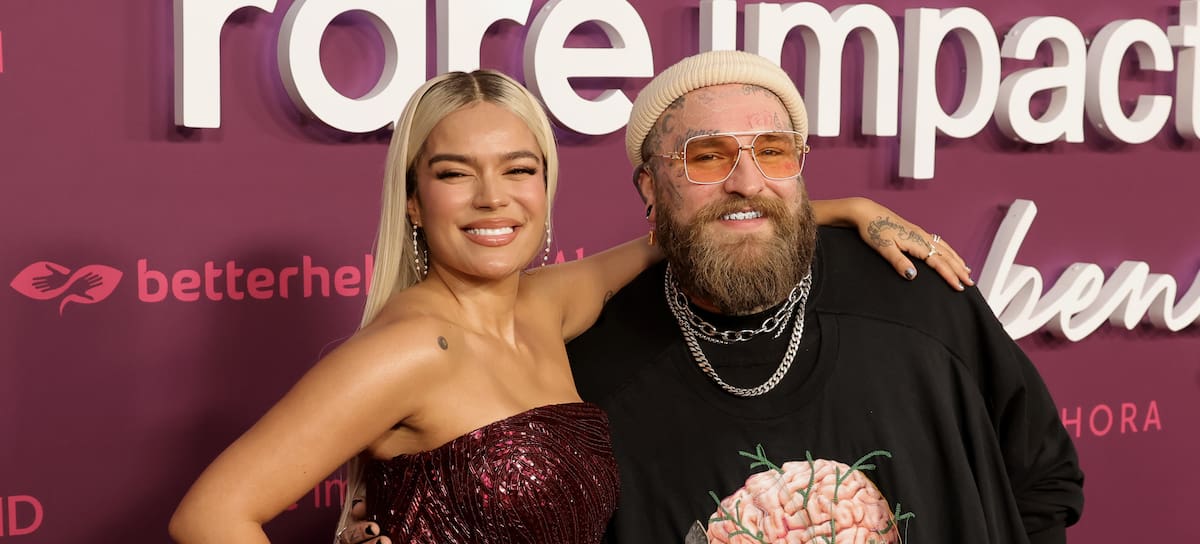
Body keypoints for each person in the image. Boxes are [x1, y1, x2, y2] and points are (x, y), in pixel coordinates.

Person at [169, 69, 969, 544]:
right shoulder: (410, 349)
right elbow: (210, 516)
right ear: (413, 200)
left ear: (546, 188)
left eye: (519, 170)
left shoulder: (542, 308)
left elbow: (672, 237)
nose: (493, 198)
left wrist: (840, 209)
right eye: (454, 173)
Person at [565, 50, 1084, 543]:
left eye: (772, 151)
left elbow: (1041, 479)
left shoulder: (917, 300)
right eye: (707, 157)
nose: (747, 182)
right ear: (650, 186)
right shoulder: (597, 373)